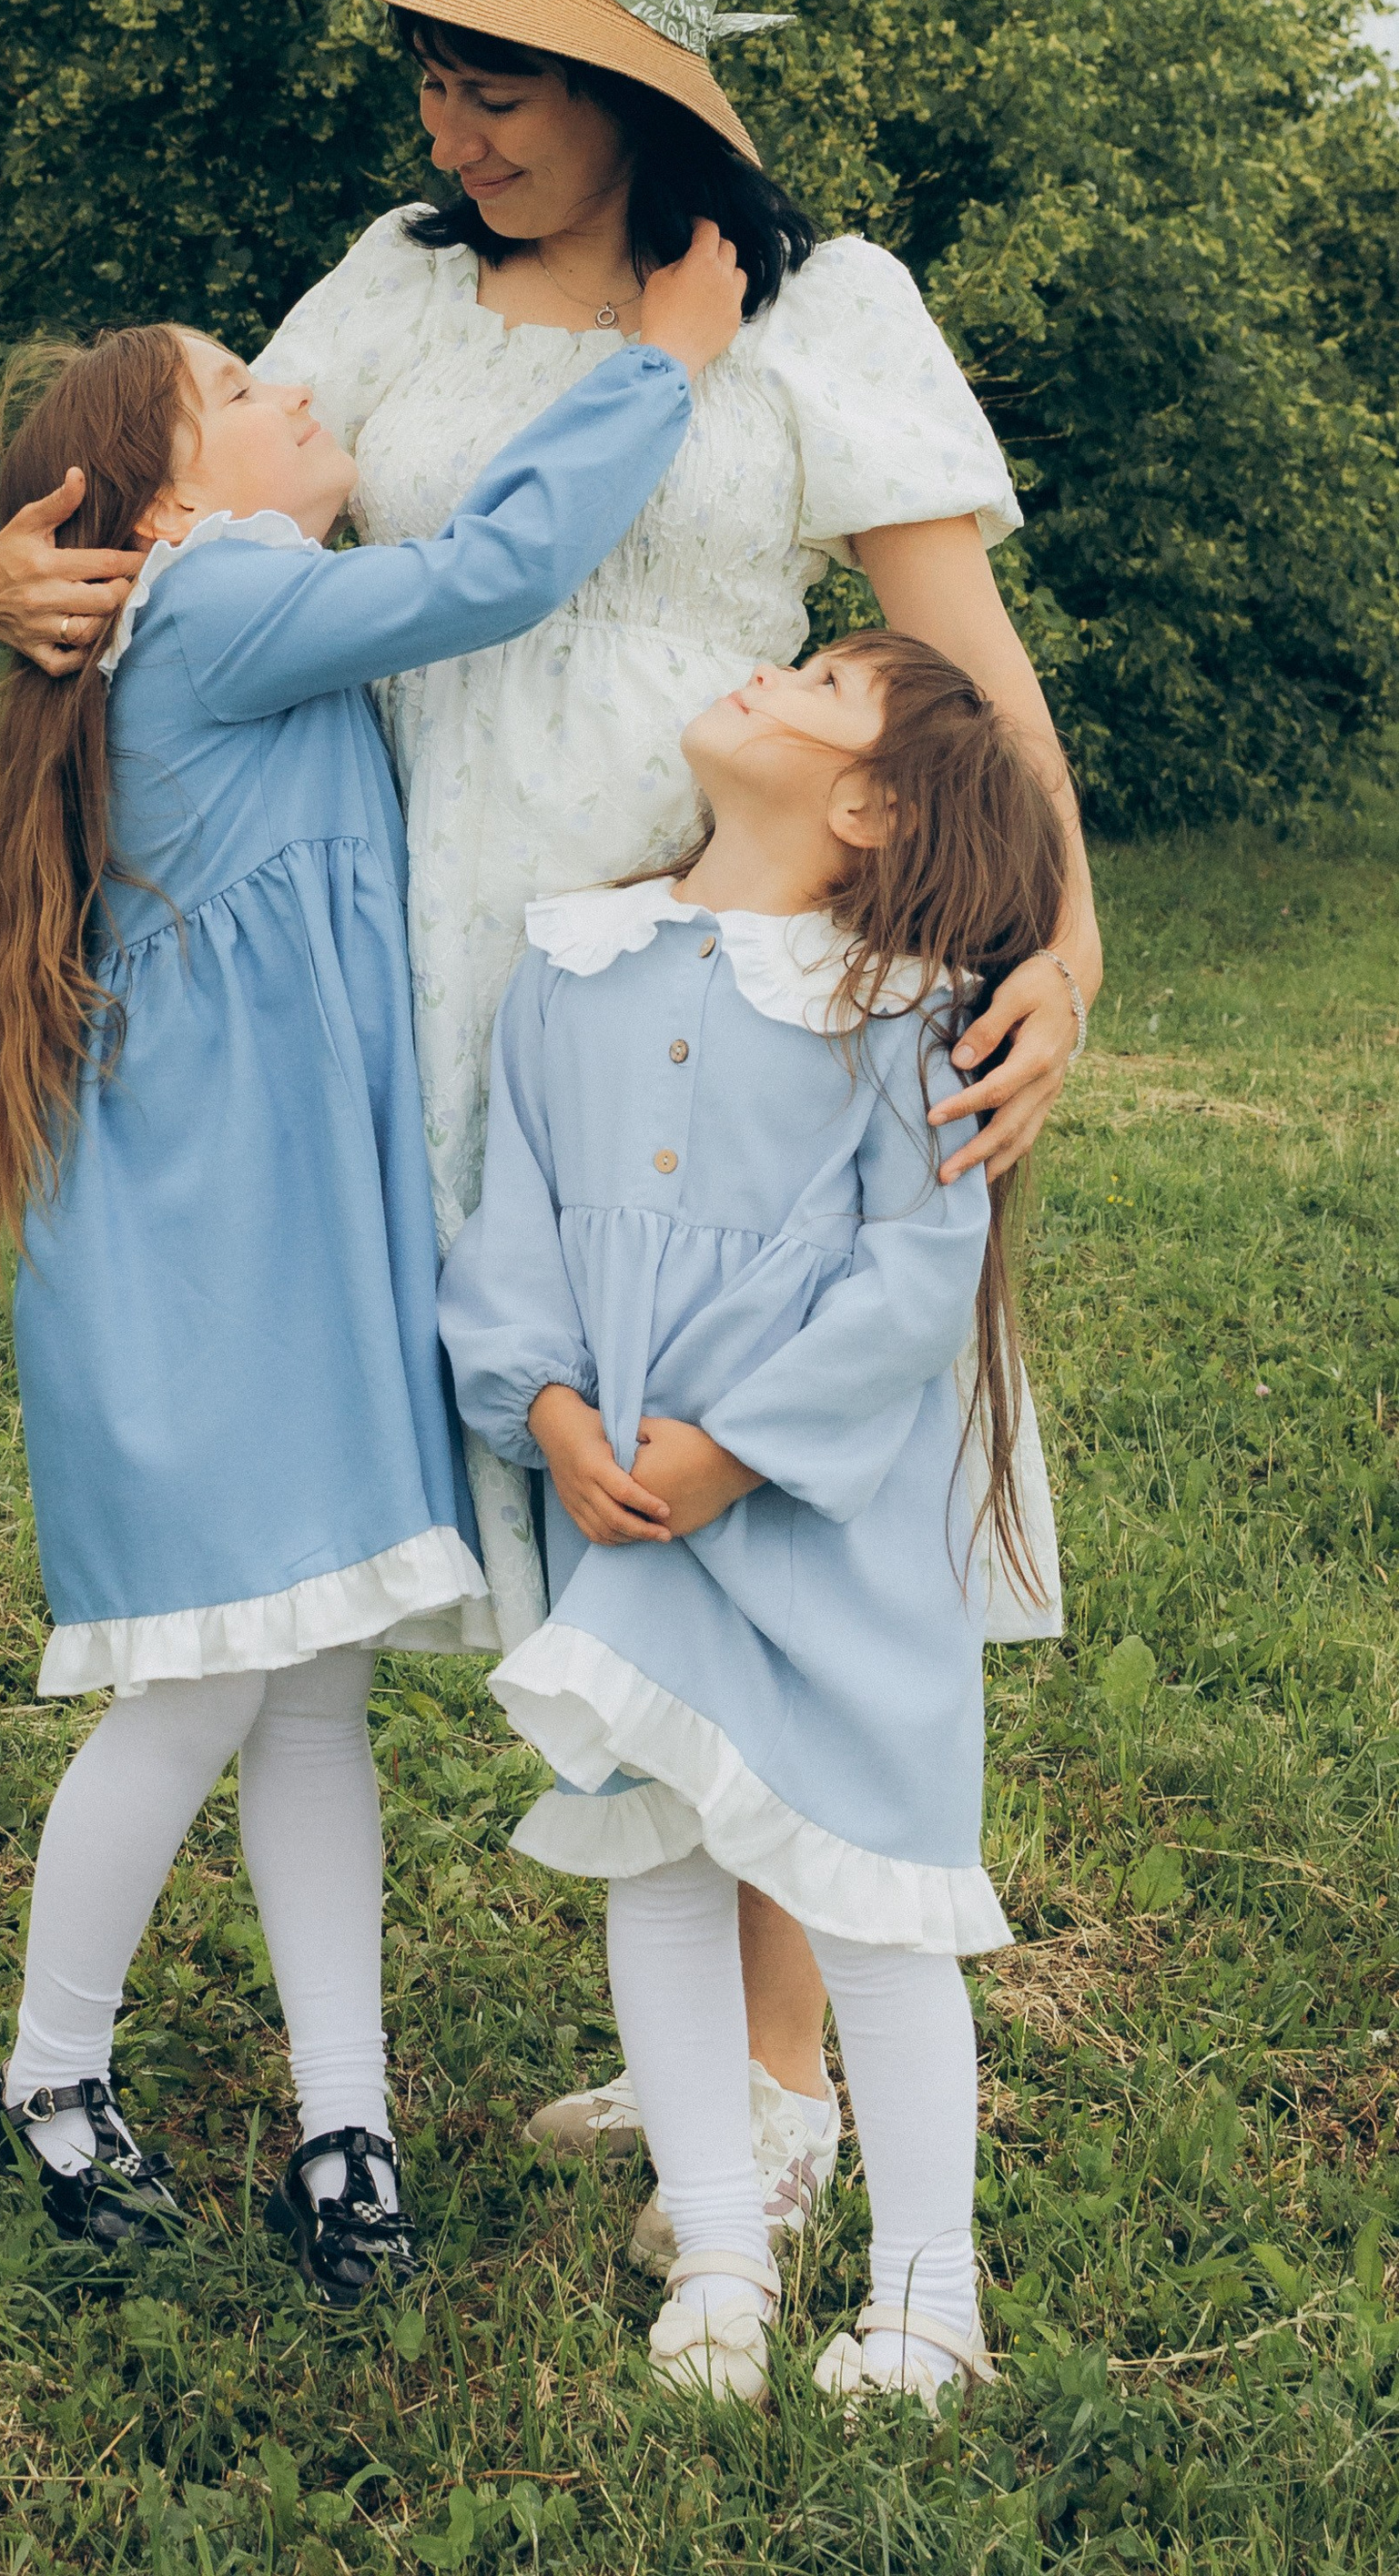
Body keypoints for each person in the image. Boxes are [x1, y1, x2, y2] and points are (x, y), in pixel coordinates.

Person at [0, 0, 1100, 2234]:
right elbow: (189, 504)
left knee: (735, 1462)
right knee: (560, 1476)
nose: (452, 134)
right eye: (432, 83)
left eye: (501, 85)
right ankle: (699, 2034)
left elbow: (955, 672)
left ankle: (786, 2084)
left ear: (632, 86)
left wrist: (1064, 937)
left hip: (729, 973)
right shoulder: (385, 291)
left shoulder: (814, 309)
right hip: (421, 987)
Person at [0, 242, 745, 2298]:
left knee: (307, 1703)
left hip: (279, 1266)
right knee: (201, 1694)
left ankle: (346, 2121)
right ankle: (51, 2079)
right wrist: (651, 375)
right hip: (213, 1282)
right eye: (244, 381)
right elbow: (487, 573)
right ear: (174, 501)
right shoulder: (215, 605)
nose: (305, 392)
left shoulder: (208, 612)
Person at [440, 629, 1067, 2409]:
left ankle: (925, 2297)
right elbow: (515, 1222)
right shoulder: (570, 966)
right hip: (619, 1504)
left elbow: (908, 1276)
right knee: (648, 1853)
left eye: (814, 682)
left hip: (818, 1520)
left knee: (873, 1894)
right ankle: (715, 2249)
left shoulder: (905, 1004)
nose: (763, 675)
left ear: (867, 803)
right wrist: (545, 1406)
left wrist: (732, 1445)